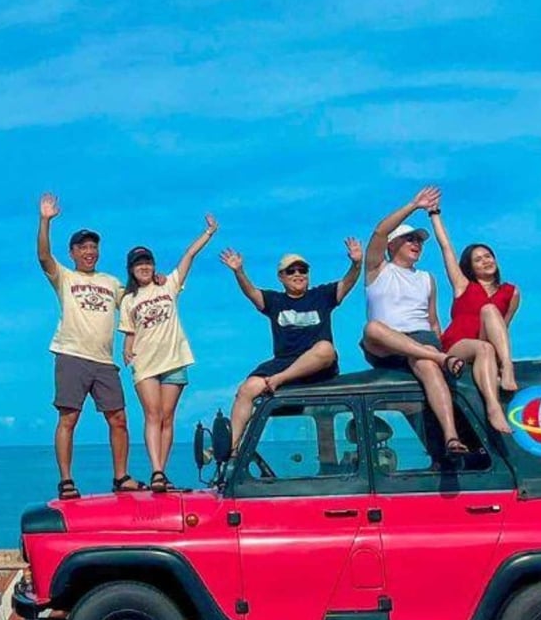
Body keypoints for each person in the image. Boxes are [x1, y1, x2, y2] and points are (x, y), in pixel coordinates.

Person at [37, 193, 145, 500]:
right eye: (83, 247)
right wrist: (45, 221)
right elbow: (44, 256)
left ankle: (121, 476)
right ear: (72, 253)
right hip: (71, 354)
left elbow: (135, 300)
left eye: (93, 247)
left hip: (103, 360)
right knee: (69, 418)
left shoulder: (111, 282)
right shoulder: (65, 277)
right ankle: (66, 480)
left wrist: (154, 278)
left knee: (119, 418)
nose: (89, 251)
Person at [222, 235, 363, 450]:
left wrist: (356, 263)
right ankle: (231, 449)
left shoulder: (322, 295)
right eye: (291, 271)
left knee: (325, 348)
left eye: (302, 270)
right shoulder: (275, 301)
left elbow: (348, 282)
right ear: (281, 277)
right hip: (285, 362)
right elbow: (251, 292)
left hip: (316, 368)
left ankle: (279, 379)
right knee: (246, 389)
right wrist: (239, 271)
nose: (298, 274)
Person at [360, 186, 470, 455]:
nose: (416, 244)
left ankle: (451, 438)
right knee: (372, 329)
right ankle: (439, 358)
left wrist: (438, 347)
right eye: (410, 239)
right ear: (392, 245)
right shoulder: (378, 268)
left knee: (428, 365)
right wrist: (414, 205)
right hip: (386, 343)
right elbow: (379, 232)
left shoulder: (426, 278)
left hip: (421, 341)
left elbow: (432, 321)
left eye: (419, 241)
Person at [118, 214, 218, 492]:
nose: (144, 267)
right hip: (146, 363)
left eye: (147, 262)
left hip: (173, 359)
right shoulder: (129, 299)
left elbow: (189, 256)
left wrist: (208, 233)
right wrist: (127, 348)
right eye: (139, 264)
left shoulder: (169, 285)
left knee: (167, 416)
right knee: (152, 414)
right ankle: (157, 471)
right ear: (131, 269)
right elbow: (129, 331)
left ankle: (162, 471)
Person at [431, 200, 519, 432]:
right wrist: (434, 214)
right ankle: (493, 407)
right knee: (486, 327)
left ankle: (506, 368)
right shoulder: (463, 285)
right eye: (478, 259)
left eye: (488, 256)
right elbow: (446, 248)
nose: (486, 261)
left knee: (490, 317)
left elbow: (502, 327)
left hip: (487, 344)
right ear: (470, 267)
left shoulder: (511, 292)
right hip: (458, 345)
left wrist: (502, 361)